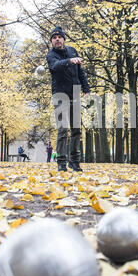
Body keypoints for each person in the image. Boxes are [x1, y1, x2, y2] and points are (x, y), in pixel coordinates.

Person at [46, 26, 90, 172]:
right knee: (63, 129)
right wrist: (69, 61)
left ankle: (75, 161)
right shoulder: (51, 55)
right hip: (60, 95)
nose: (57, 39)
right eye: (54, 38)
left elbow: (80, 71)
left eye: (59, 37)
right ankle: (61, 162)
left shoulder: (72, 51)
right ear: (52, 41)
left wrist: (86, 88)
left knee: (76, 130)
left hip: (75, 93)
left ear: (63, 38)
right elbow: (56, 66)